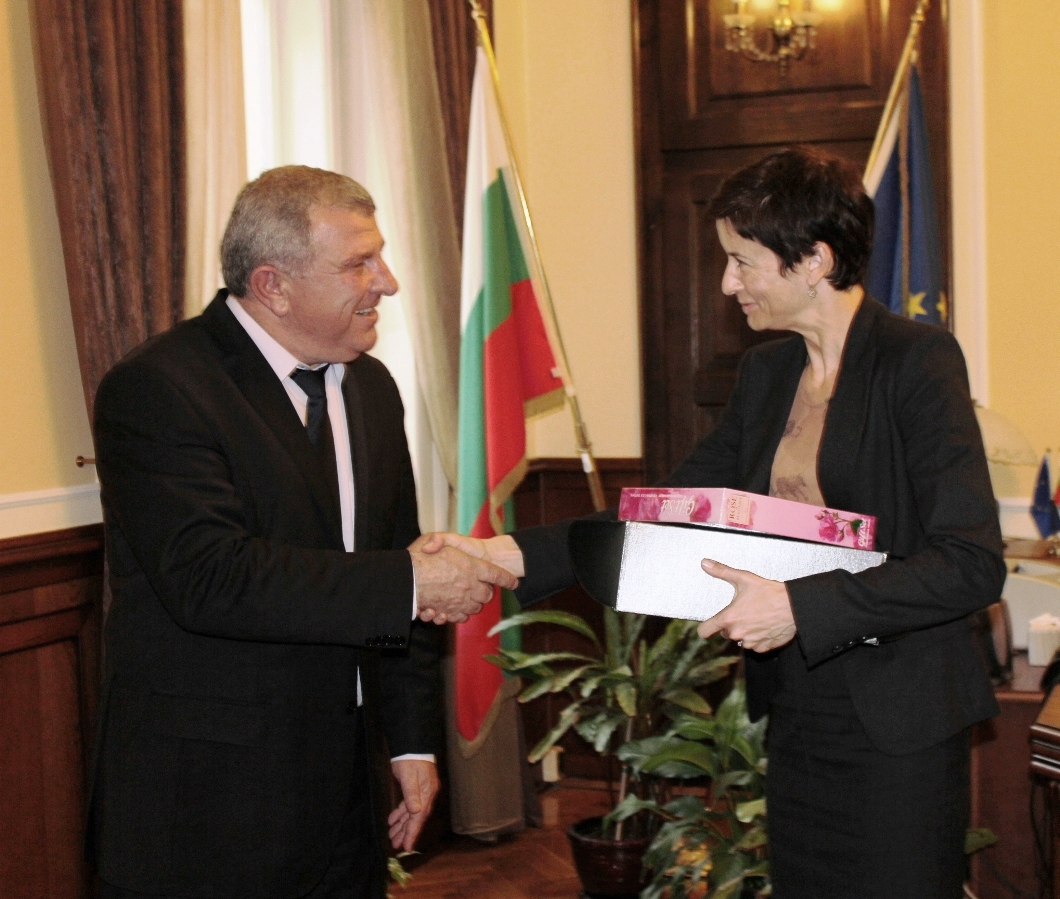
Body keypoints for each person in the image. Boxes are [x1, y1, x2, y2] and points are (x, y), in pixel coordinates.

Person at [419, 147, 1005, 897]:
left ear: (814, 260)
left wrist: (799, 606)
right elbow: (665, 509)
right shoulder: (766, 376)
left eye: (741, 261)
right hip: (799, 708)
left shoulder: (916, 361)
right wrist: (501, 554)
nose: (727, 284)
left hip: (900, 721)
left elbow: (969, 562)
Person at [90, 165, 519, 899]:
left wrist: (411, 742)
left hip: (346, 795)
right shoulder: (161, 387)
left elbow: (398, 565)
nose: (387, 283)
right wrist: (411, 580)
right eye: (359, 263)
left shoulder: (371, 388)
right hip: (208, 805)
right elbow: (211, 577)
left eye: (381, 257)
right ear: (274, 286)